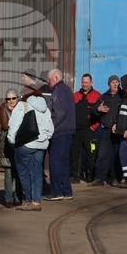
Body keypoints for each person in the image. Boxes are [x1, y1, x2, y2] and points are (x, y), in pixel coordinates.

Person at [7, 89, 55, 211]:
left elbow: (14, 125)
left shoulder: (22, 105)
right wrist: (45, 139)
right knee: (37, 172)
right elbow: (50, 128)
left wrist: (12, 141)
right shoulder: (45, 108)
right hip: (41, 145)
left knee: (23, 173)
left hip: (25, 144)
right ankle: (36, 202)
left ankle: (28, 200)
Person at [45, 69, 76, 200]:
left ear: (56, 77)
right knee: (63, 162)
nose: (48, 82)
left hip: (60, 131)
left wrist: (50, 126)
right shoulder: (66, 89)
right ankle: (66, 191)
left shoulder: (59, 90)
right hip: (67, 131)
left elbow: (60, 112)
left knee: (55, 161)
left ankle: (56, 191)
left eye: (49, 79)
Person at [93, 75, 123, 186]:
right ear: (109, 84)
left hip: (119, 131)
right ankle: (99, 178)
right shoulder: (103, 97)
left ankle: (116, 178)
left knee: (118, 155)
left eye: (117, 82)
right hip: (106, 130)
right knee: (102, 155)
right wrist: (98, 109)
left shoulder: (123, 96)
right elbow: (94, 111)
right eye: (113, 82)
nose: (115, 84)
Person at [0, 89, 25, 208]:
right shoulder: (3, 109)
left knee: (19, 172)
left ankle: (18, 196)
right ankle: (8, 198)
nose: (11, 101)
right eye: (8, 99)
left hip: (20, 141)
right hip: (7, 142)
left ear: (17, 98)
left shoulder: (22, 108)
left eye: (13, 98)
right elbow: (5, 125)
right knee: (9, 172)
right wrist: (14, 115)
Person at [72, 74, 101, 184]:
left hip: (90, 131)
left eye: (87, 82)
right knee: (75, 154)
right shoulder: (75, 95)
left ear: (91, 83)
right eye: (83, 82)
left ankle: (90, 176)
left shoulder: (97, 95)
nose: (84, 84)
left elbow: (101, 114)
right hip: (76, 130)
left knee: (91, 153)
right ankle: (75, 176)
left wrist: (94, 127)